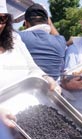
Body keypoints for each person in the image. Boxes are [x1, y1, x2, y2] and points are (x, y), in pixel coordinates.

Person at [0, 0, 57, 128]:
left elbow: (32, 68)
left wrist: (45, 78)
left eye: (2, 18)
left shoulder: (15, 39)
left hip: (29, 121)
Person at [19, 3, 66, 80]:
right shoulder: (60, 41)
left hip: (28, 89)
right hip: (53, 90)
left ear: (26, 23)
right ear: (47, 21)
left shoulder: (19, 37)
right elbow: (56, 35)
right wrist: (49, 22)